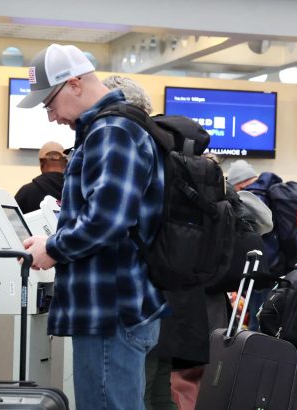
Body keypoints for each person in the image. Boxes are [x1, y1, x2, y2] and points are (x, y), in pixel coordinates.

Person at [19, 44, 166, 410]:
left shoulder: (112, 131)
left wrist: (52, 250)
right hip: (112, 307)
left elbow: (108, 220)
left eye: (50, 103)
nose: (52, 117)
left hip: (109, 311)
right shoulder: (108, 130)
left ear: (73, 83)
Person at [100, 73, 176, 410]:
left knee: (124, 395)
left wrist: (55, 247)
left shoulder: (125, 144)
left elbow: (110, 221)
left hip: (125, 300)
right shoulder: (164, 148)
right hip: (161, 295)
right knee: (153, 389)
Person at [226, 159, 282, 331]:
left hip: (261, 270)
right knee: (270, 320)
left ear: (239, 184)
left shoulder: (251, 198)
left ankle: (251, 355)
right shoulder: (274, 192)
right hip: (279, 268)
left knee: (256, 323)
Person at [14, 141, 67, 213]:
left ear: (41, 163)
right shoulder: (78, 192)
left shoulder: (26, 192)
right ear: (66, 163)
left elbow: (9, 221)